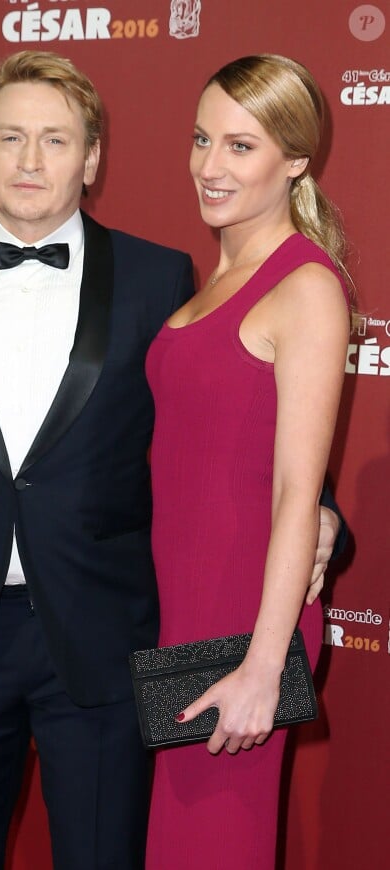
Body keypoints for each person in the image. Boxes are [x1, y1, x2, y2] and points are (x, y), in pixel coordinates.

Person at [0, 50, 343, 870]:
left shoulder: (158, 279)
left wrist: (328, 516)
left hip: (109, 641)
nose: (31, 161)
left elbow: (240, 425)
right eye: (10, 138)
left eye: (55, 140)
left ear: (94, 158)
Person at [145, 55, 351, 870]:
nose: (209, 165)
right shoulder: (218, 275)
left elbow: (298, 489)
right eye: (202, 139)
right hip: (184, 606)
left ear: (295, 159)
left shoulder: (306, 286)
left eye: (241, 146)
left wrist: (265, 668)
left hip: (242, 623)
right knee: (181, 845)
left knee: (211, 846)